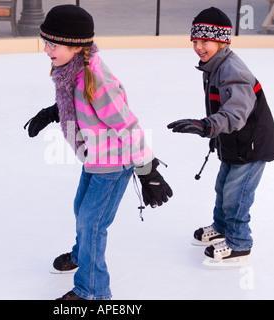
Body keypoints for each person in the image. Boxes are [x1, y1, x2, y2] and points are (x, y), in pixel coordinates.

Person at [25, 5, 172, 300]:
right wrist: (53, 112)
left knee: (92, 224)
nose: (46, 49)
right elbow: (80, 107)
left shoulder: (97, 83)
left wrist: (148, 171)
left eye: (53, 44)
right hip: (95, 157)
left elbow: (127, 126)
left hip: (114, 163)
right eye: (45, 42)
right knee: (82, 211)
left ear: (76, 46)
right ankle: (82, 256)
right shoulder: (72, 72)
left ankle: (93, 290)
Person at [167, 7, 274, 262]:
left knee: (236, 196)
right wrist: (214, 132)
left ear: (222, 40)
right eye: (194, 41)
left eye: (204, 41)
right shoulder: (214, 66)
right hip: (234, 142)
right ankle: (222, 228)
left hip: (251, 146)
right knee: (223, 188)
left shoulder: (232, 70)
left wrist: (207, 126)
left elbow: (236, 113)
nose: (198, 47)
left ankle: (240, 242)